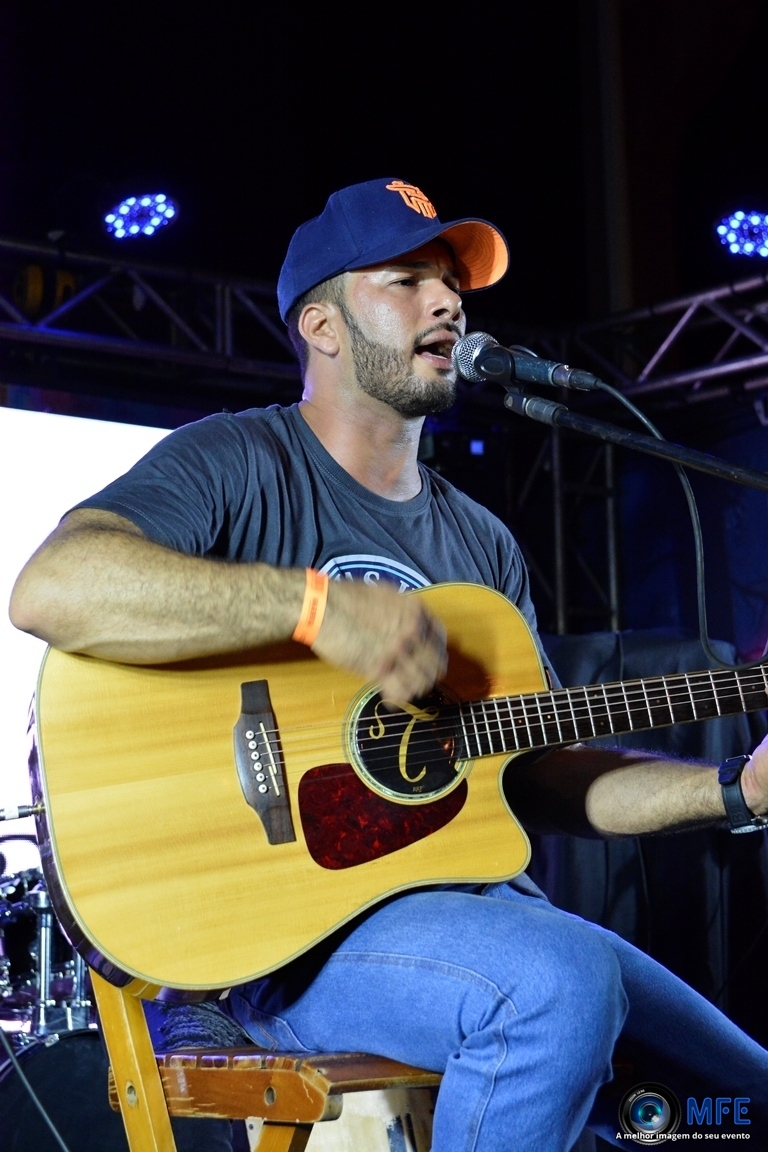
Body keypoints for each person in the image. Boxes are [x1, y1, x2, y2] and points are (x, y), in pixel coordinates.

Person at [10, 177, 768, 1151]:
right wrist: (314, 608)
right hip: (290, 942)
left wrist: (734, 791)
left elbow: (535, 771)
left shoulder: (482, 544)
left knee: (741, 1102)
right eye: (407, 280)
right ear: (322, 325)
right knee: (556, 986)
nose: (447, 301)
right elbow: (52, 587)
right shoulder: (236, 461)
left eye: (452, 283)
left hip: (482, 921)